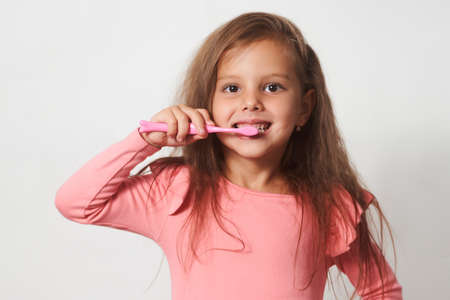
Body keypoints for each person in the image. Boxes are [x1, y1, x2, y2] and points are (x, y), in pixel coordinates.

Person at [55, 11, 403, 299]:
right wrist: (146, 140)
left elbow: (382, 291)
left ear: (304, 109)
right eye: (232, 88)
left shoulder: (328, 205)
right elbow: (76, 203)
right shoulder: (177, 191)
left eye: (272, 87)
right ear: (208, 106)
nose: (250, 102)